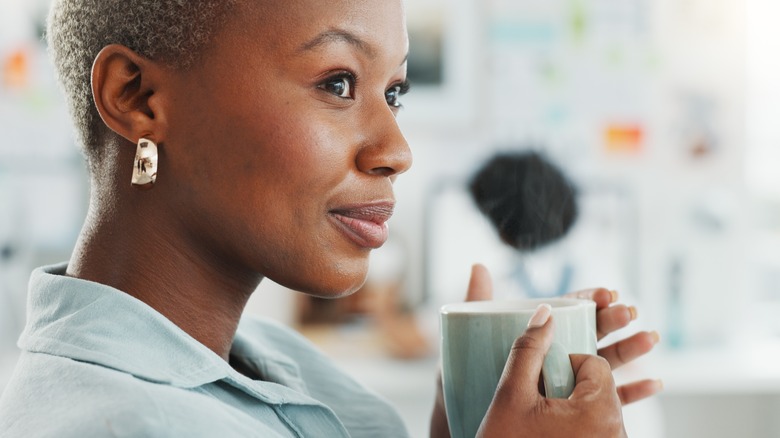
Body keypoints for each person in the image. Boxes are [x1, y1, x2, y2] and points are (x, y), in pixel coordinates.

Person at [0, 0, 661, 436]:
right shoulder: (117, 424)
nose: (397, 151)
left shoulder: (286, 367)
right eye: (337, 83)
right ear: (138, 99)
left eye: (393, 92)